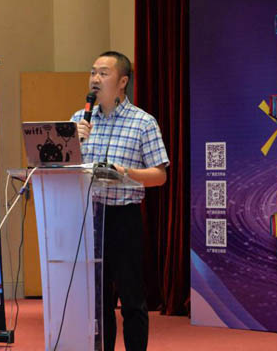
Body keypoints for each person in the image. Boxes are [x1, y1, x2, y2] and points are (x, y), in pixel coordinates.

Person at [71, 51, 169, 351]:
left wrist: (126, 173)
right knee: (97, 301)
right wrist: (73, 141)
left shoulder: (143, 122)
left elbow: (160, 176)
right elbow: (63, 169)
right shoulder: (78, 121)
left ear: (123, 81)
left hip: (123, 218)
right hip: (88, 218)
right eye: (93, 72)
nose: (95, 78)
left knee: (131, 300)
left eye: (104, 73)